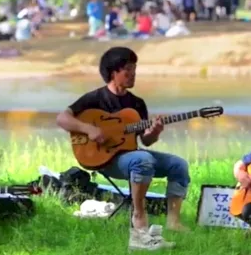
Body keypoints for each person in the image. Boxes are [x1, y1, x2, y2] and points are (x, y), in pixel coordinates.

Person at [55, 47, 187, 250]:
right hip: (105, 159)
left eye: (134, 69)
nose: (133, 74)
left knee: (178, 165)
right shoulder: (94, 98)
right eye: (128, 70)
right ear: (113, 72)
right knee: (143, 159)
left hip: (132, 156)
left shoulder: (137, 104)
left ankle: (174, 222)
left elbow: (146, 141)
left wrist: (155, 131)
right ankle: (139, 218)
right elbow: (62, 118)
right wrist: (89, 129)